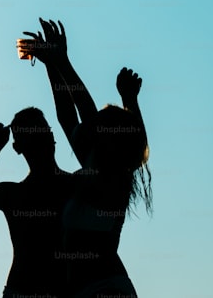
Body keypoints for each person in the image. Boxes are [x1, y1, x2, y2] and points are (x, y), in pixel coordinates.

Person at [20, 18, 152, 298]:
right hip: (93, 288)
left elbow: (82, 110)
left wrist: (62, 62)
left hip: (104, 288)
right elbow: (68, 115)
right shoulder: (102, 169)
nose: (89, 126)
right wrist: (51, 66)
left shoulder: (109, 177)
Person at [0, 107, 74, 298]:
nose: (41, 138)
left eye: (42, 131)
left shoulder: (73, 185)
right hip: (26, 290)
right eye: (33, 134)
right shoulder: (16, 194)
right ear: (18, 147)